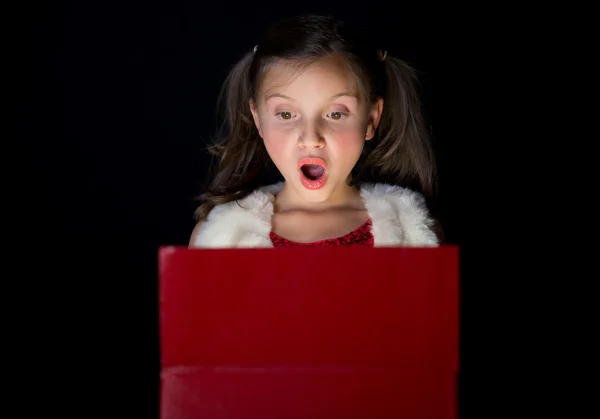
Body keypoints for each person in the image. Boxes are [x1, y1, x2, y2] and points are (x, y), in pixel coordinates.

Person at [189, 14, 444, 248]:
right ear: (258, 120)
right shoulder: (218, 238)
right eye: (286, 114)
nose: (311, 139)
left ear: (371, 120)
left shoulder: (415, 233)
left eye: (336, 114)